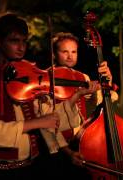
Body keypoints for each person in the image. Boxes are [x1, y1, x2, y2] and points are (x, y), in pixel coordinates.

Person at [0, 14, 98, 179]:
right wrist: (35, 123)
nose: (21, 47)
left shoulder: (26, 72)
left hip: (29, 168)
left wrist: (77, 94)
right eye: (14, 41)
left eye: (24, 41)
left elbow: (49, 120)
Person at [48, 32, 118, 177]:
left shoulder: (82, 77)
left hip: (80, 139)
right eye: (64, 51)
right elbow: (46, 120)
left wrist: (107, 82)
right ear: (54, 54)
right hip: (56, 144)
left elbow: (96, 103)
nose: (70, 56)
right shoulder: (47, 77)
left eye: (74, 51)